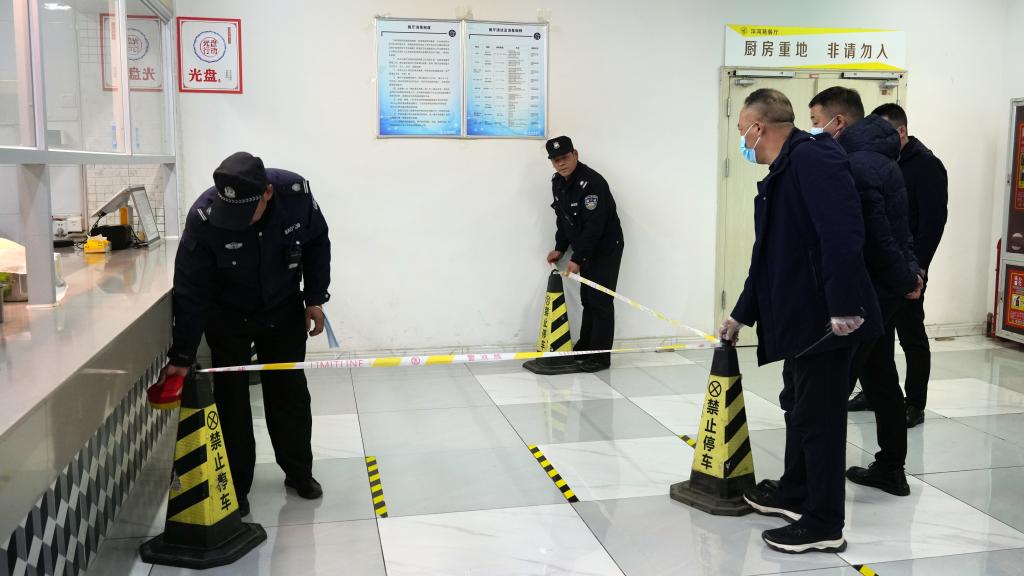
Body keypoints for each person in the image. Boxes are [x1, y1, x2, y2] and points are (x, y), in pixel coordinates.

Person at [721, 88, 880, 554]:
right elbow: (767, 255)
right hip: (801, 319)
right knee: (799, 406)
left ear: (759, 127)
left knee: (820, 419)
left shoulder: (814, 158)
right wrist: (741, 313)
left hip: (828, 320)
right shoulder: (784, 169)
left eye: (742, 131)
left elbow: (843, 231)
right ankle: (795, 491)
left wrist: (844, 305)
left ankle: (825, 523)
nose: (742, 141)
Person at [157, 152, 331, 517]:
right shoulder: (204, 217)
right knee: (231, 401)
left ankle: (299, 471)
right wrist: (182, 355)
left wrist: (315, 298)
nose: (236, 222)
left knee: (289, 392)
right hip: (228, 314)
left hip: (282, 308)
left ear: (267, 193)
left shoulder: (295, 198)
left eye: (245, 212)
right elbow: (190, 289)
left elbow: (318, 243)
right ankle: (236, 485)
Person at [808, 87, 921, 496]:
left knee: (832, 386)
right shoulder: (879, 158)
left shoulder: (855, 165)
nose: (814, 130)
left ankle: (813, 485)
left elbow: (875, 237)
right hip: (884, 288)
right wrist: (910, 274)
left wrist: (905, 279)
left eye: (816, 122)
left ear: (839, 122)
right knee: (880, 377)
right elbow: (899, 231)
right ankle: (890, 467)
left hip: (866, 292)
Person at [872, 103, 949, 428]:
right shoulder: (884, 161)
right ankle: (875, 392)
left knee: (911, 335)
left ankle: (915, 402)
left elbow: (933, 223)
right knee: (878, 336)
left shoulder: (927, 165)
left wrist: (918, 269)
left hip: (909, 267)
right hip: (882, 265)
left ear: (901, 131)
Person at [527, 135, 624, 374]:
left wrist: (578, 258)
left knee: (600, 301)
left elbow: (594, 226)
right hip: (585, 247)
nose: (561, 163)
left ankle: (600, 357)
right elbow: (564, 219)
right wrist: (560, 247)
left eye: (565, 157)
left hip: (605, 248)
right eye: (555, 160)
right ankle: (585, 348)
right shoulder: (558, 182)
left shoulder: (592, 183)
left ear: (575, 154)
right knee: (587, 299)